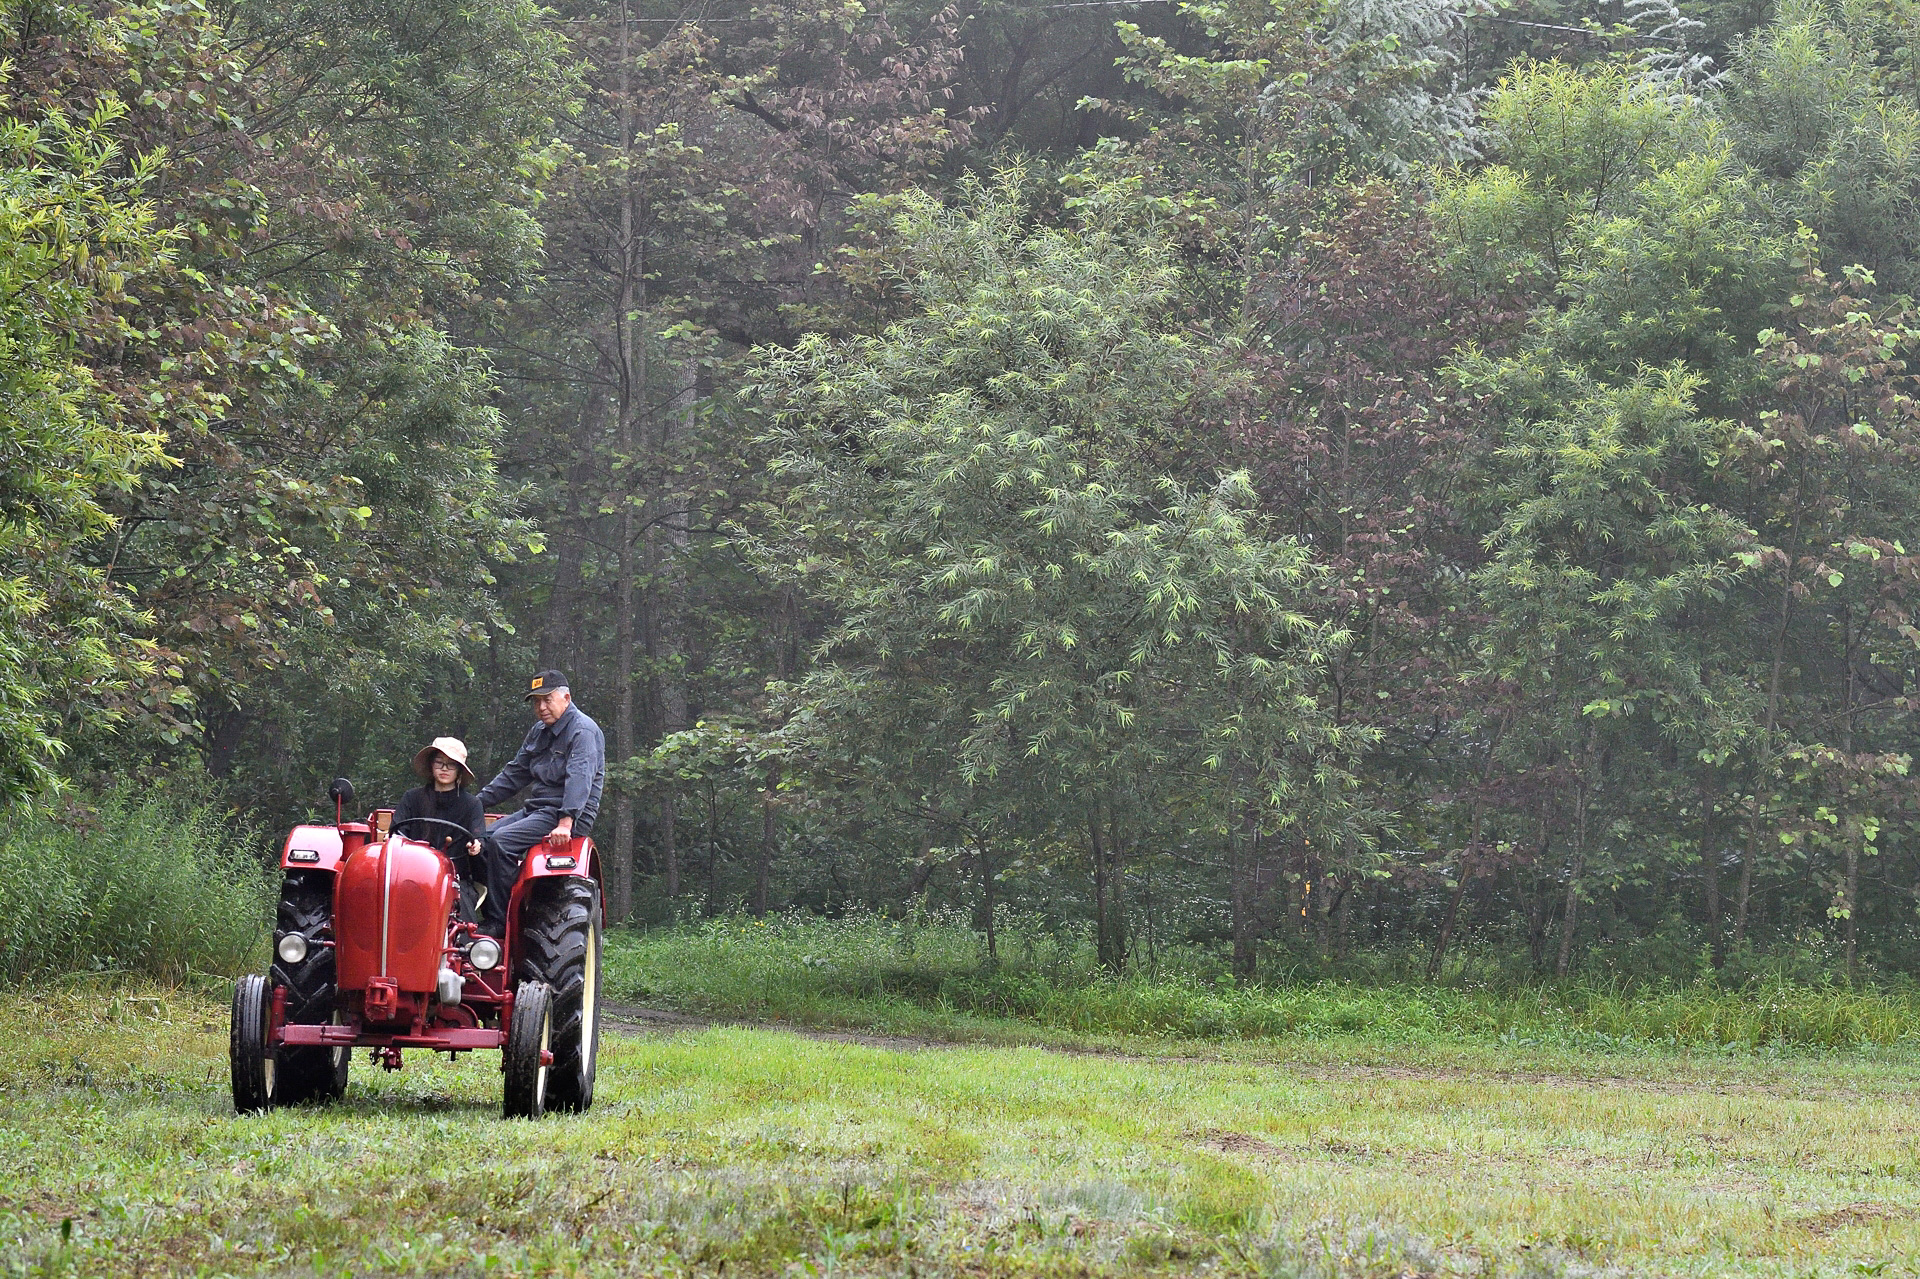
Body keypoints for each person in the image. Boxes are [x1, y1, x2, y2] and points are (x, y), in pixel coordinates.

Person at [473, 670, 605, 939]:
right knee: (479, 840)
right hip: (538, 810)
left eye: (547, 700)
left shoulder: (583, 731)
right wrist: (474, 804)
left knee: (502, 842)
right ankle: (494, 907)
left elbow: (579, 779)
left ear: (566, 697)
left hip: (565, 816)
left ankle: (500, 923)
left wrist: (566, 822)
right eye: (536, 702)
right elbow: (514, 774)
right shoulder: (540, 732)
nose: (541, 707)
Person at [391, 737, 487, 872]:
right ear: (431, 765)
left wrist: (476, 845)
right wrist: (393, 839)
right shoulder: (412, 797)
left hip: (456, 877)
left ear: (459, 770)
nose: (444, 768)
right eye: (439, 762)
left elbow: (479, 838)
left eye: (451, 764)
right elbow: (397, 833)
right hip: (412, 872)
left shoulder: (472, 804)